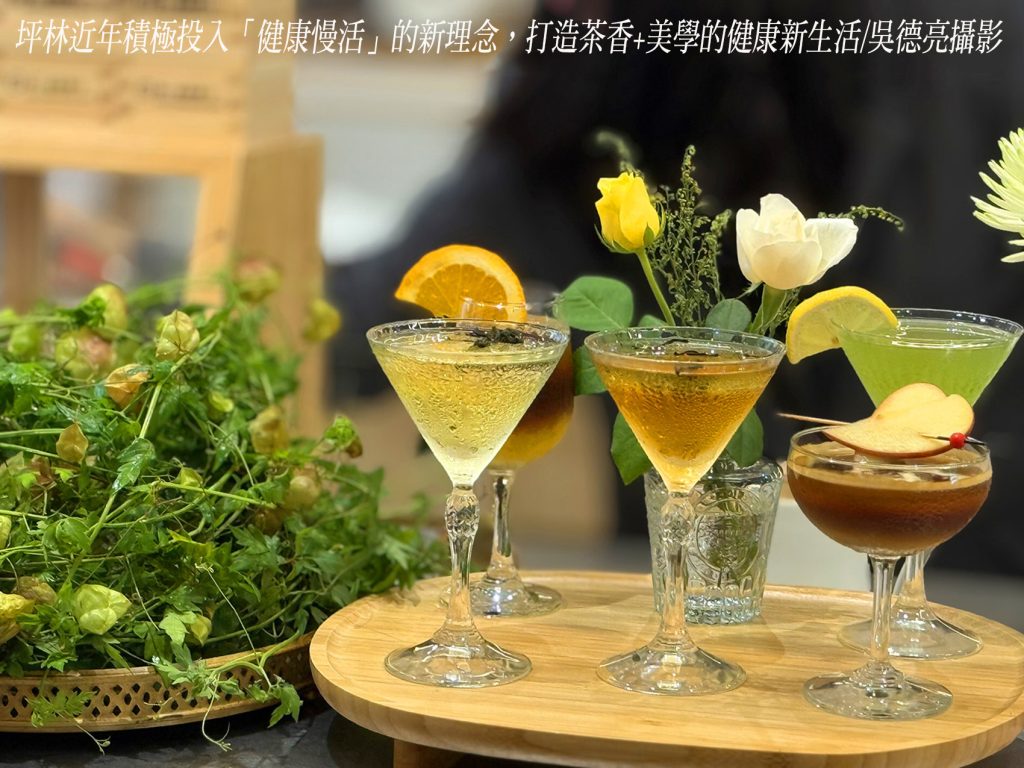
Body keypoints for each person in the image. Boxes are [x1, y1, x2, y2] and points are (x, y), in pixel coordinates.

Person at [328, 0, 1024, 573]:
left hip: (967, 569)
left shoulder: (955, 59)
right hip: (683, 578)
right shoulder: (583, 80)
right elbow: (383, 301)